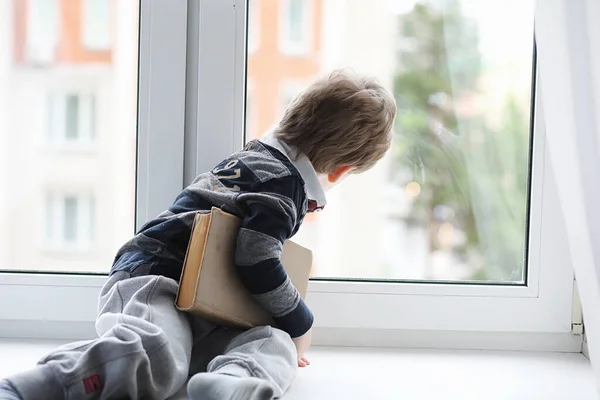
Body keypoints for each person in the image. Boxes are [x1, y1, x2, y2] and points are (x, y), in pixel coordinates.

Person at [0, 69, 396, 400]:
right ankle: (45, 385)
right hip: (156, 275)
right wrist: (301, 322)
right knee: (158, 350)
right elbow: (256, 259)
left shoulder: (261, 157)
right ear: (341, 169)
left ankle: (229, 383)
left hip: (201, 301)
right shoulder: (281, 186)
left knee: (270, 342)